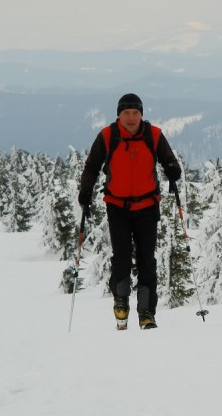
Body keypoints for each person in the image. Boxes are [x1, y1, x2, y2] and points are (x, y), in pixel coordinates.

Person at [78, 93, 181, 330]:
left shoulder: (153, 135)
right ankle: (121, 302)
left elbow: (168, 160)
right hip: (117, 207)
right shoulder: (107, 136)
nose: (131, 117)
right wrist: (85, 190)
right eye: (127, 113)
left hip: (147, 206)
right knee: (121, 258)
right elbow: (92, 166)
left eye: (136, 112)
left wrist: (173, 169)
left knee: (147, 261)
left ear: (141, 114)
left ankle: (146, 313)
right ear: (119, 115)